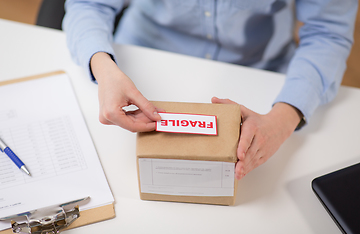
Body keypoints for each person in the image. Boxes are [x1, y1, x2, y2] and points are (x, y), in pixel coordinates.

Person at [63, 0, 357, 180]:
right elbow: (89, 4)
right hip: (138, 63)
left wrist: (284, 119)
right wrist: (102, 66)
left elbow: (328, 31)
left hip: (259, 72)